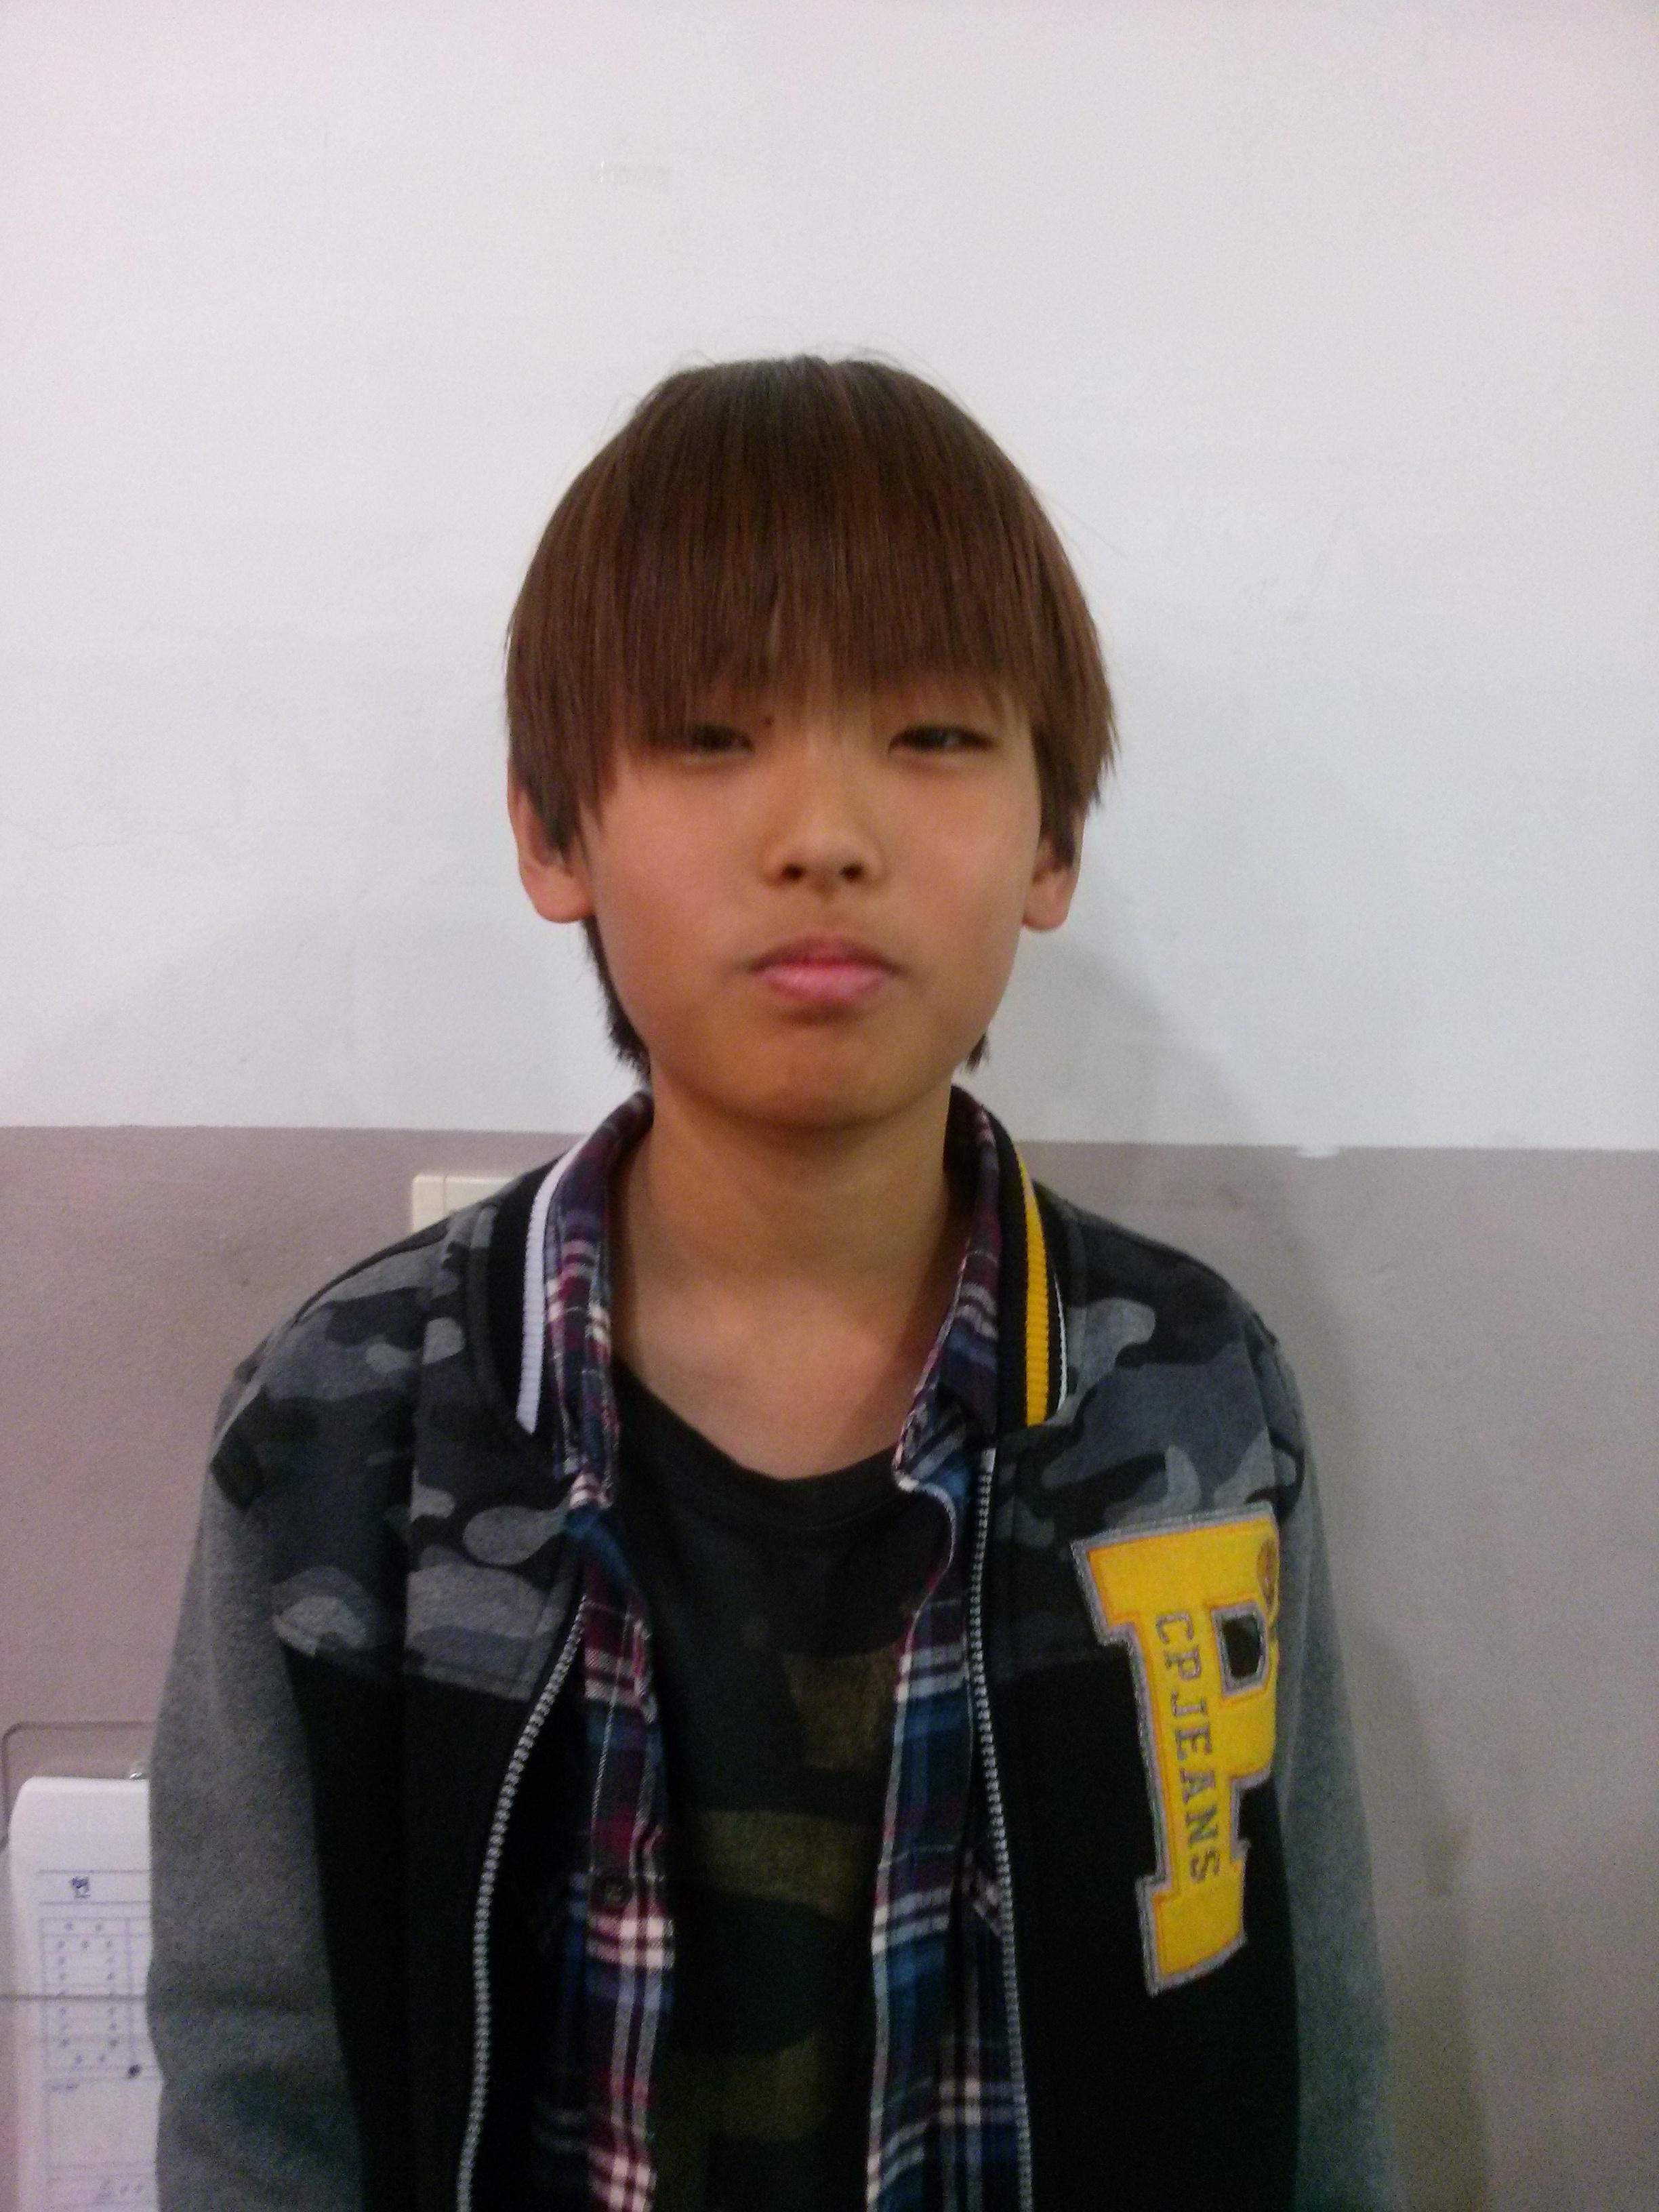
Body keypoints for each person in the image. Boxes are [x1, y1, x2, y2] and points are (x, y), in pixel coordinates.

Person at [146, 354, 1397, 2211]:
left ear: (1053, 841)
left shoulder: (1192, 1394)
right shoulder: (344, 1427)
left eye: (935, 735)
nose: (823, 832)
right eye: (715, 736)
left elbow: (1309, 2057)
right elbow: (261, 2096)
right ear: (550, 832)